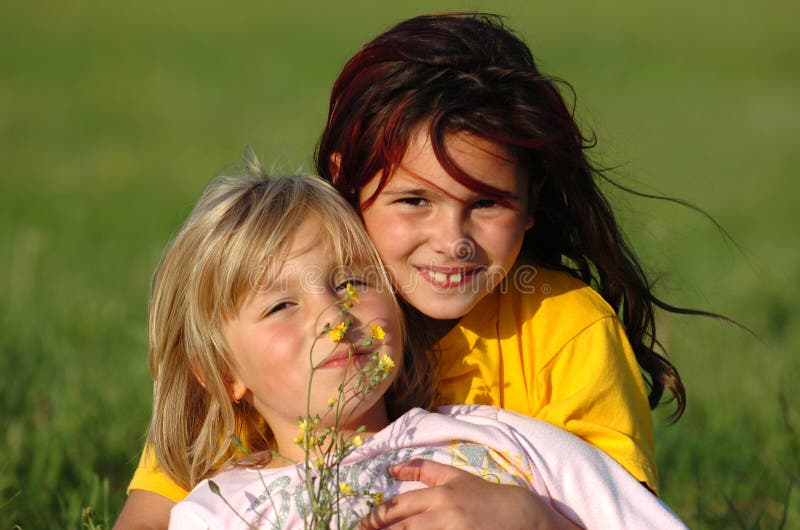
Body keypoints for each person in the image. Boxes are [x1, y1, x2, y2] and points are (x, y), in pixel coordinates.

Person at [115, 12, 696, 529]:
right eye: (414, 201)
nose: (452, 243)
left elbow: (621, 510)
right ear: (350, 183)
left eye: (486, 203)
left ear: (529, 203)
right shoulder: (271, 345)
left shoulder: (563, 329)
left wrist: (532, 521)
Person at [136, 165, 686, 529]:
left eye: (352, 283)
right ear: (221, 373)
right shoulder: (220, 511)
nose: (333, 317)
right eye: (281, 306)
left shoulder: (498, 438)